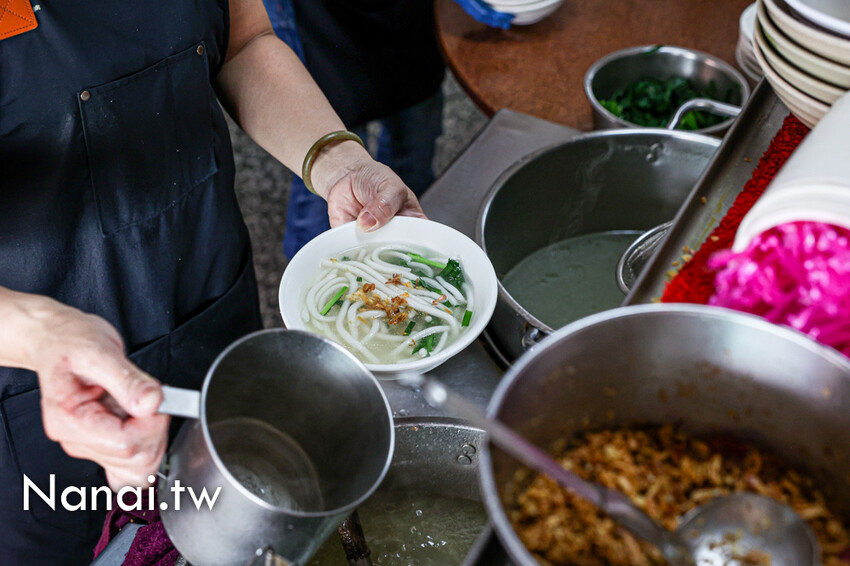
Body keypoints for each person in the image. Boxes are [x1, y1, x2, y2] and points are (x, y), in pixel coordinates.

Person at [0, 0, 424, 563]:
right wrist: (39, 332)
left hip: (207, 293)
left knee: (240, 520)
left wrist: (338, 162)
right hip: (37, 375)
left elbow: (244, 41)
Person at [263, 0, 447, 258]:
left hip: (410, 28)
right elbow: (248, 48)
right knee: (325, 200)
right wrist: (337, 167)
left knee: (412, 147)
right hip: (316, 22)